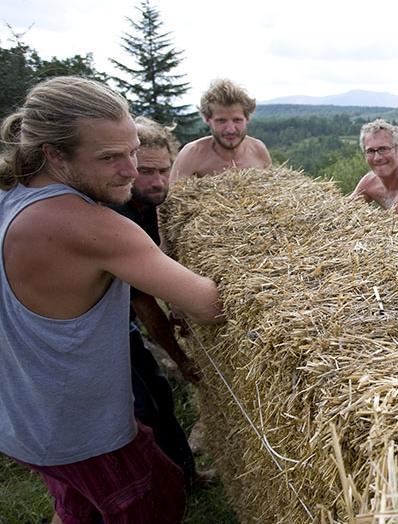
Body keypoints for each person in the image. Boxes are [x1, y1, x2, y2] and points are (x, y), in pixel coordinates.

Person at [0, 76, 223, 523]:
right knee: (158, 499)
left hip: (26, 420)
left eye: (133, 150)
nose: (131, 170)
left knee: (77, 508)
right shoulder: (91, 225)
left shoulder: (11, 194)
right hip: (82, 432)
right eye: (109, 158)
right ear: (54, 154)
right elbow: (210, 305)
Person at [108, 116, 205, 488]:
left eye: (164, 170)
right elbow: (144, 302)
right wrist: (179, 357)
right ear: (128, 166)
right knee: (141, 410)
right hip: (95, 330)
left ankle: (185, 476)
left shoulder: (149, 206)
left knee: (159, 394)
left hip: (121, 319)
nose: (157, 181)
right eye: (145, 171)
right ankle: (152, 490)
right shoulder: (118, 215)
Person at [171, 78, 272, 183]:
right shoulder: (192, 155)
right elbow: (173, 196)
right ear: (207, 119)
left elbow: (272, 192)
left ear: (247, 119)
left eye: (237, 120)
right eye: (221, 121)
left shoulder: (258, 150)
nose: (230, 129)